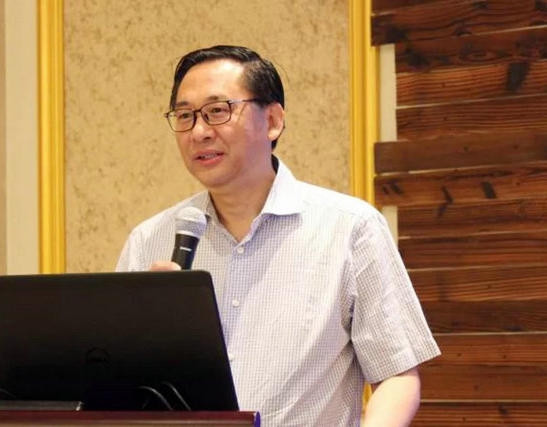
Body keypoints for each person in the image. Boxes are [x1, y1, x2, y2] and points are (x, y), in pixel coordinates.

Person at [116, 45, 440, 426]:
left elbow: (397, 375)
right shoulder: (150, 240)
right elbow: (120, 386)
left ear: (272, 120)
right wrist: (149, 335)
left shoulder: (350, 228)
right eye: (185, 116)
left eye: (217, 111)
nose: (199, 132)